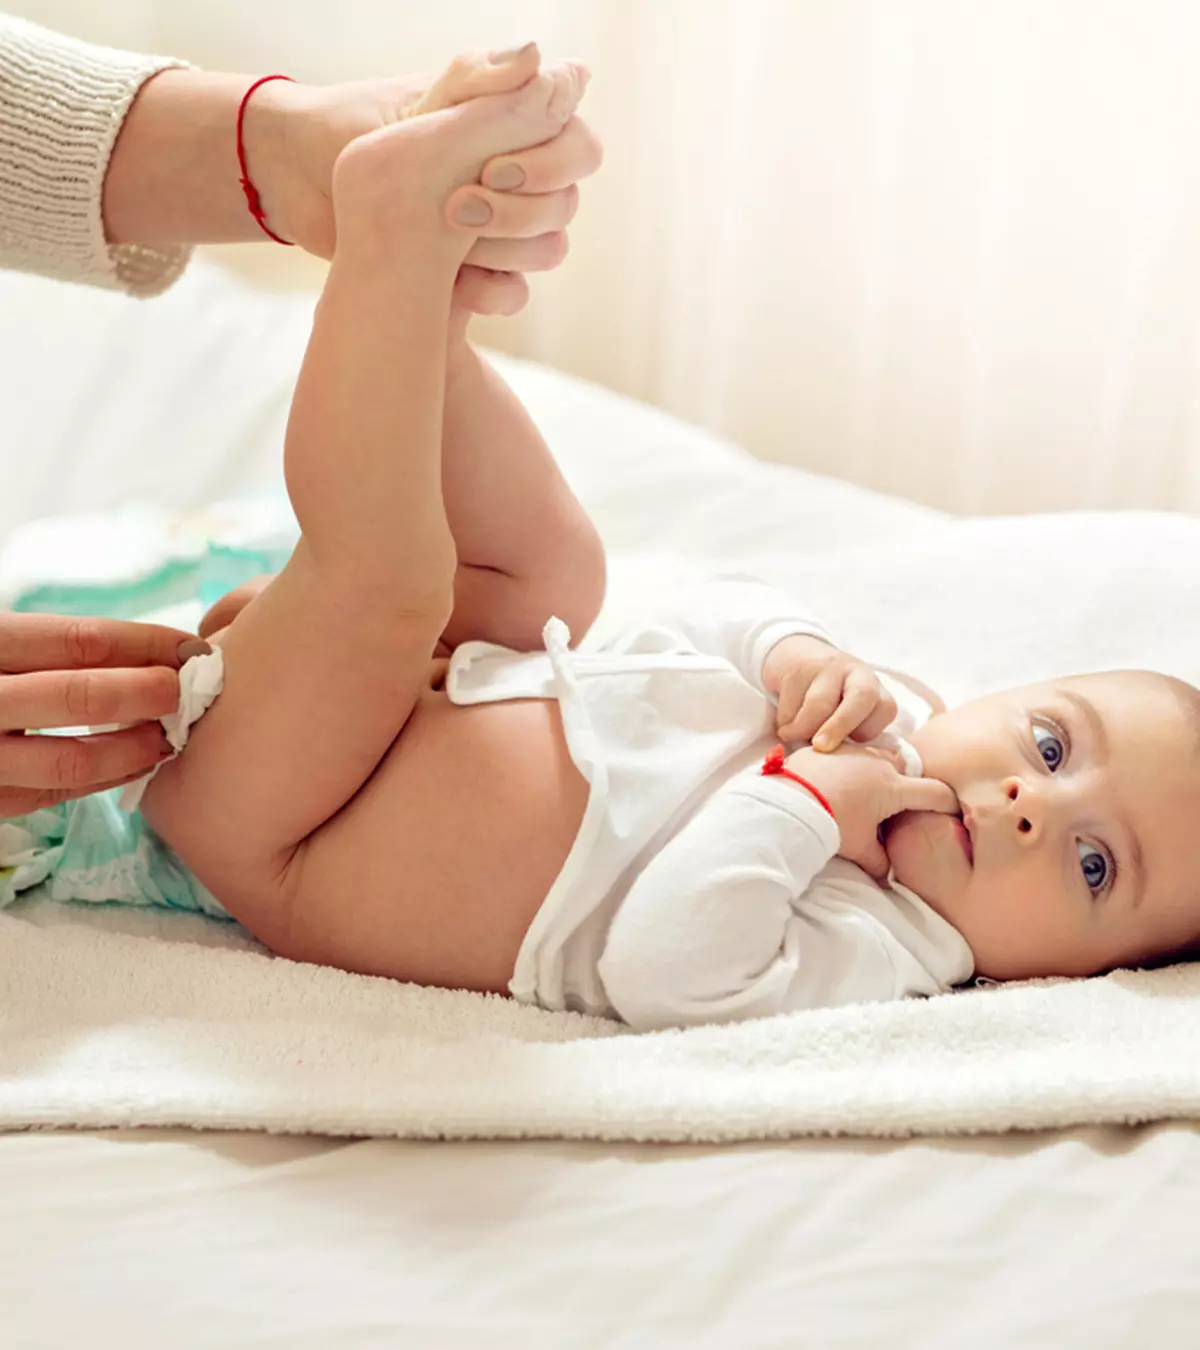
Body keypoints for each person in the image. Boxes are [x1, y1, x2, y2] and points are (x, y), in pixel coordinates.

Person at [6, 48, 1200, 1032]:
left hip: (281, 828)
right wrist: (786, 650)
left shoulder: (889, 947)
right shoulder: (882, 717)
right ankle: (423, 338)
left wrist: (802, 808)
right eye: (1049, 741)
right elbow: (700, 624)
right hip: (439, 702)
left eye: (1093, 867)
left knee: (386, 586)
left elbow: (672, 965)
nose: (1027, 804)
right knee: (558, 576)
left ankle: (384, 261)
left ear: (1077, 976)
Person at [0, 15, 601, 815]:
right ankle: (400, 277)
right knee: (449, 589)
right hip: (232, 812)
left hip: (231, 754)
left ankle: (414, 317)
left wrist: (272, 150)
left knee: (498, 590)